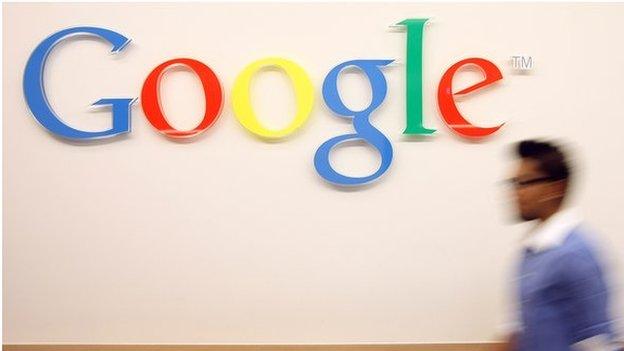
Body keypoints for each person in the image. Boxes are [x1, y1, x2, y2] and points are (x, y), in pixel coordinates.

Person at [500, 139, 619, 351]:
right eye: (513, 183)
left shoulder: (575, 253)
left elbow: (599, 340)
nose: (515, 192)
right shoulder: (532, 250)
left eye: (524, 183)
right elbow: (522, 329)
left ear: (555, 187)